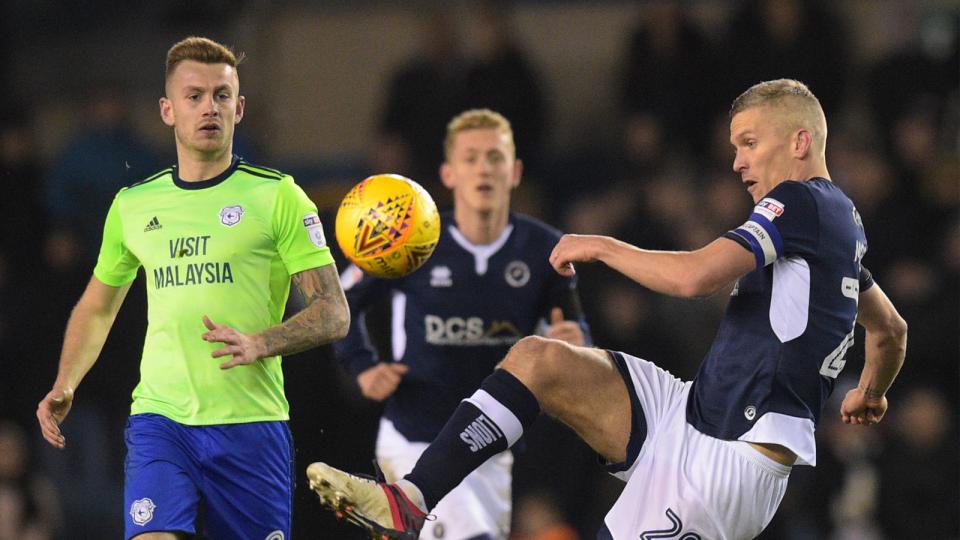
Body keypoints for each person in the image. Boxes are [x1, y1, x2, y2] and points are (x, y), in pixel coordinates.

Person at [307, 79, 908, 539]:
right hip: (689, 413)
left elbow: (696, 277)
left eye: (749, 143)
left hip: (729, 465)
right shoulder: (842, 226)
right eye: (734, 147)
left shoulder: (799, 203)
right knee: (541, 360)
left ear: (800, 141)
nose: (737, 162)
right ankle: (409, 502)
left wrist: (602, 245)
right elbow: (889, 328)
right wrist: (871, 392)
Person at [35, 36, 350, 540]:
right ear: (167, 110)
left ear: (239, 108)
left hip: (251, 425)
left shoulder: (279, 197)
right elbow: (98, 306)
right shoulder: (134, 205)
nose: (210, 107)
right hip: (161, 420)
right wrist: (66, 380)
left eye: (222, 96)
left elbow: (334, 313)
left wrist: (261, 342)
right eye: (194, 95)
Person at [329, 108, 589, 539]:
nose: (483, 168)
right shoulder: (413, 240)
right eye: (471, 158)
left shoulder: (546, 249)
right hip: (416, 436)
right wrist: (362, 366)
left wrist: (576, 342)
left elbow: (576, 330)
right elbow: (340, 302)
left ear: (516, 171)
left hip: (493, 448)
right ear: (448, 174)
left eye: (495, 157)